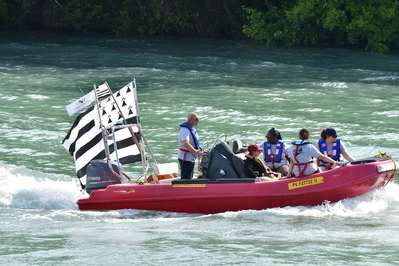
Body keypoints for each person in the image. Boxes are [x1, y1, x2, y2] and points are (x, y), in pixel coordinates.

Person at [178, 112, 202, 179]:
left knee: (190, 176)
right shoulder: (185, 129)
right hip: (185, 158)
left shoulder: (192, 129)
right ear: (191, 119)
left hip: (191, 157)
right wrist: (196, 151)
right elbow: (186, 143)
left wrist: (200, 150)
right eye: (196, 119)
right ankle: (183, 189)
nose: (198, 121)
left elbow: (195, 143)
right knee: (186, 178)